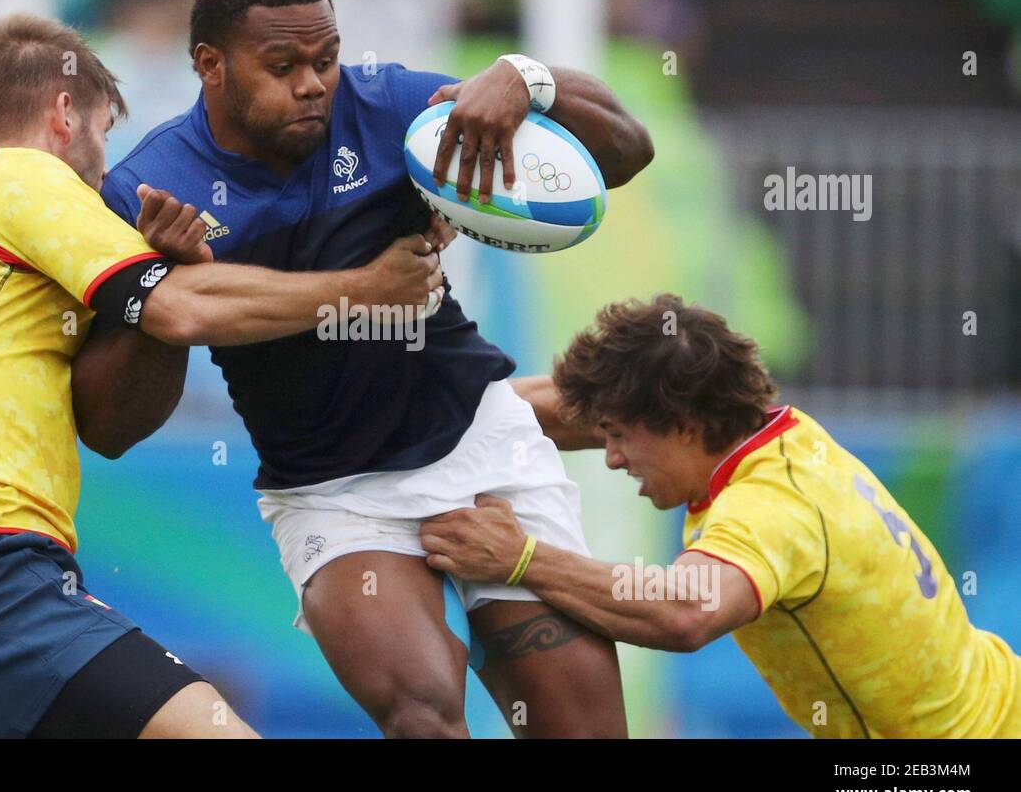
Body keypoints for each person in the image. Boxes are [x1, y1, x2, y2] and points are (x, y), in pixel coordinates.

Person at [83, 0, 655, 738]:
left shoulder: (390, 109)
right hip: (332, 492)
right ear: (209, 65)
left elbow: (627, 150)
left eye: (325, 58)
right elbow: (110, 428)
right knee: (423, 714)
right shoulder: (150, 191)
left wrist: (526, 79)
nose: (313, 83)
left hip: (481, 446)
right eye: (281, 65)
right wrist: (164, 302)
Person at [0, 13, 440, 739]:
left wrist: (169, 277)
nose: (106, 171)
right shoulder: (20, 177)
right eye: (104, 133)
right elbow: (179, 310)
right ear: (64, 111)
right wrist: (367, 288)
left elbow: (120, 409)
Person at [421, 294, 1021, 738]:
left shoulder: (767, 508)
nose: (609, 457)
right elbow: (556, 412)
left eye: (619, 437)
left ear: (682, 425)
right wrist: (411, 409)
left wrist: (520, 558)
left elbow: (686, 613)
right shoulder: (768, 434)